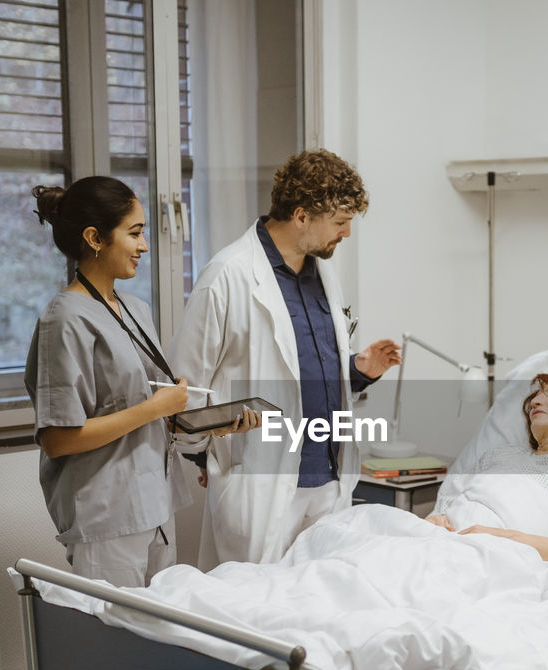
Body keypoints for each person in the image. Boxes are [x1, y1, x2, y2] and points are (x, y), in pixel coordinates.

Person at [170, 149, 401, 567]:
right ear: (300, 216)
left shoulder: (322, 273)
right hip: (262, 480)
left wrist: (356, 371)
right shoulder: (228, 275)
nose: (346, 233)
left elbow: (300, 369)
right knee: (254, 613)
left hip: (328, 479)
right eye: (340, 222)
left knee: (321, 607)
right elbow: (186, 385)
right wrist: (201, 453)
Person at [25, 176, 255, 590]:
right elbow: (58, 439)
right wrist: (156, 408)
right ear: (95, 237)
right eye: (135, 233)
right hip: (107, 516)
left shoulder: (134, 309)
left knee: (162, 638)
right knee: (118, 646)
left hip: (156, 505)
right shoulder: (64, 320)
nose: (145, 246)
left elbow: (143, 415)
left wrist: (209, 426)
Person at [426, 370, 548, 566]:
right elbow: (443, 508)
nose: (535, 402)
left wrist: (502, 539)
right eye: (536, 396)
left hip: (493, 559)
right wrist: (435, 520)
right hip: (438, 545)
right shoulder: (499, 455)